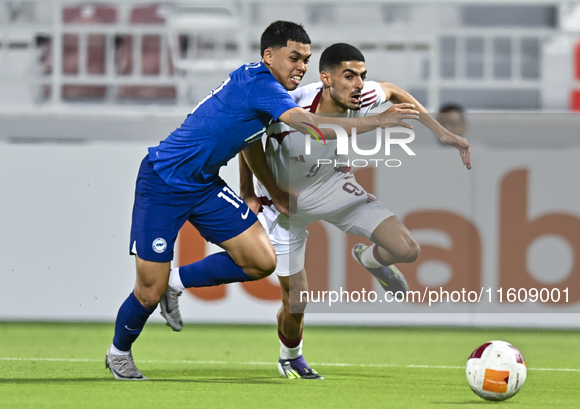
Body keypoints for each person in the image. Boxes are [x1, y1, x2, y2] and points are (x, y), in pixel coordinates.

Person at [106, 23, 421, 380]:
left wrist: (252, 190)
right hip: (163, 181)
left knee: (261, 261)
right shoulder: (262, 86)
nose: (301, 66)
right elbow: (309, 125)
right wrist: (379, 122)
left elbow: (249, 140)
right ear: (268, 56)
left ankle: (176, 282)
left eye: (305, 58)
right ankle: (119, 353)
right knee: (148, 291)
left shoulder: (267, 91)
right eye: (293, 58)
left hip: (204, 184)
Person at [162, 43, 472, 380]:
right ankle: (290, 357)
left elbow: (395, 91)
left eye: (362, 76)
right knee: (296, 300)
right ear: (326, 78)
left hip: (333, 186)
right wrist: (257, 191)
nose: (359, 84)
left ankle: (370, 260)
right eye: (349, 76)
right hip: (285, 203)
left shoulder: (361, 96)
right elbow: (249, 142)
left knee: (407, 250)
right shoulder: (290, 104)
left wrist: (442, 132)